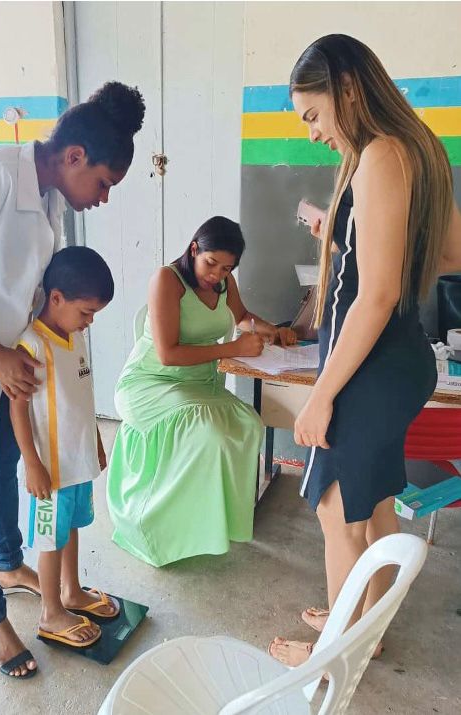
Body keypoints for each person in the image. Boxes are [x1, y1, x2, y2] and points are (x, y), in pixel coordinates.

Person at [0, 81, 145, 678]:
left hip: (9, 364)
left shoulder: (49, 199)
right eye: (104, 183)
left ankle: (7, 563)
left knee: (2, 471)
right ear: (75, 156)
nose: (103, 198)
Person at [268, 34, 461, 667]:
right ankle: (365, 629)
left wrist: (320, 395)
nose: (313, 133)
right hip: (398, 354)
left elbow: (374, 296)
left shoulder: (379, 154)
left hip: (370, 363)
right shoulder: (421, 147)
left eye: (313, 115)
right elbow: (451, 253)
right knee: (371, 505)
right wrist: (356, 239)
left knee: (338, 513)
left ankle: (335, 658)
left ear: (348, 89)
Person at [106, 216, 297, 567]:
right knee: (209, 432)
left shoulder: (224, 282)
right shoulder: (167, 280)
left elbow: (242, 316)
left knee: (249, 425)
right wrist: (233, 349)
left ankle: (215, 525)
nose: (217, 274)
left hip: (199, 385)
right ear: (194, 249)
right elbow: (168, 354)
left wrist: (273, 330)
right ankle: (159, 528)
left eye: (227, 268)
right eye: (211, 263)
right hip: (151, 382)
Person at [10, 247, 118, 651]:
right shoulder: (32, 345)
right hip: (50, 471)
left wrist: (96, 440)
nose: (90, 321)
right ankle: (51, 612)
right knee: (49, 540)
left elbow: (82, 395)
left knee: (70, 527)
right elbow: (18, 408)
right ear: (56, 298)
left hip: (78, 461)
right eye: (86, 312)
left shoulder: (75, 337)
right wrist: (32, 463)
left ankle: (71, 592)